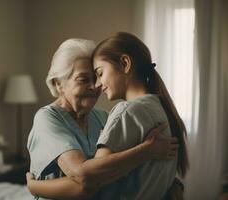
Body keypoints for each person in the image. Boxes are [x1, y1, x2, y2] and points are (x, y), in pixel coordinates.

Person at [26, 38, 179, 200]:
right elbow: (84, 182)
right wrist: (147, 151)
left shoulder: (103, 117)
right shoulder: (47, 118)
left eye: (97, 77)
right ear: (59, 84)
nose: (95, 85)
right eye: (83, 79)